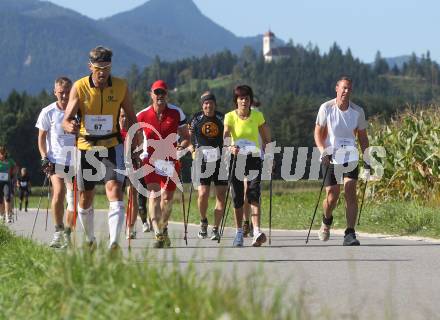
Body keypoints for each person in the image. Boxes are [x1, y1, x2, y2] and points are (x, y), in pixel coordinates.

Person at [62, 46, 138, 251]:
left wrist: (136, 146)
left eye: (107, 67)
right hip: (86, 147)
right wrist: (70, 126)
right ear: (90, 66)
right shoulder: (79, 87)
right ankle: (90, 239)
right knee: (85, 197)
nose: (103, 72)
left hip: (111, 145)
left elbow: (132, 117)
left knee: (114, 190)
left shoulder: (121, 86)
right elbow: (66, 120)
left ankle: (114, 242)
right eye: (98, 68)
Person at [314, 76, 370, 246]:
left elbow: (362, 137)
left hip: (350, 155)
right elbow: (317, 133)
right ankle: (326, 220)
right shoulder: (326, 108)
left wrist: (367, 160)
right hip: (330, 155)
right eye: (344, 88)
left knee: (350, 190)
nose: (346, 91)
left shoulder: (358, 111)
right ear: (336, 88)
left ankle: (350, 233)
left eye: (349, 89)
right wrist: (323, 152)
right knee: (332, 195)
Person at [136, 80, 190, 248]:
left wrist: (183, 146)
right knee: (154, 194)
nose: (160, 96)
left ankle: (163, 227)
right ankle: (158, 233)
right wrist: (134, 153)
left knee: (167, 198)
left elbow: (186, 136)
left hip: (169, 160)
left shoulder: (176, 113)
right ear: (151, 94)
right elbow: (135, 136)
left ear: (167, 95)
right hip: (150, 159)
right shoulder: (142, 115)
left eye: (163, 93)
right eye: (156, 92)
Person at [223, 85, 272, 247]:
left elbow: (266, 139)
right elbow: (225, 138)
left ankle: (257, 231)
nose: (244, 101)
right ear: (236, 100)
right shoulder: (230, 117)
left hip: (254, 158)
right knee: (237, 198)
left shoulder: (258, 115)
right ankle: (238, 232)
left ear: (251, 100)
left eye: (247, 98)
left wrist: (270, 157)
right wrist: (230, 146)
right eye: (241, 98)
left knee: (253, 193)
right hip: (236, 159)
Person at [36, 77, 76, 248]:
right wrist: (44, 157)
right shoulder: (48, 111)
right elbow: (41, 138)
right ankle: (58, 231)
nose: (65, 96)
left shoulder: (78, 110)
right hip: (56, 160)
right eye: (61, 92)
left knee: (73, 200)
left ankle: (67, 233)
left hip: (75, 161)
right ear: (55, 92)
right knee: (58, 193)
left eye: (68, 92)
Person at [188, 91, 227, 241]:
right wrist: (192, 149)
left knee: (221, 195)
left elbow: (229, 135)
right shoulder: (196, 118)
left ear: (215, 104)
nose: (208, 105)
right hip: (203, 160)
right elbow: (188, 136)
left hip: (220, 160)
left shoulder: (221, 118)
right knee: (203, 193)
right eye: (205, 103)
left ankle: (216, 228)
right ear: (202, 105)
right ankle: (203, 221)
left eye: (211, 103)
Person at [242, 98, 261, 238]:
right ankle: (247, 222)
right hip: (244, 157)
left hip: (255, 157)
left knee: (250, 192)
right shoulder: (241, 118)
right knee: (248, 191)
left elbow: (263, 141)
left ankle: (249, 223)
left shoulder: (258, 118)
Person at [119, 108, 138, 240]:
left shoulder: (133, 131)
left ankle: (130, 227)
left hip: (131, 165)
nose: (124, 119)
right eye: (121, 116)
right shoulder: (113, 132)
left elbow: (139, 148)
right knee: (117, 199)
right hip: (116, 166)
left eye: (126, 116)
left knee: (132, 195)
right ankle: (116, 226)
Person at [0, 146, 17, 223]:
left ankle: (8, 215)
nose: (2, 155)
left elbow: (15, 167)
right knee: (0, 200)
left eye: (3, 153)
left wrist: (13, 173)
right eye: (1, 153)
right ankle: (1, 214)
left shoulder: (10, 160)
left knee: (7, 197)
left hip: (7, 181)